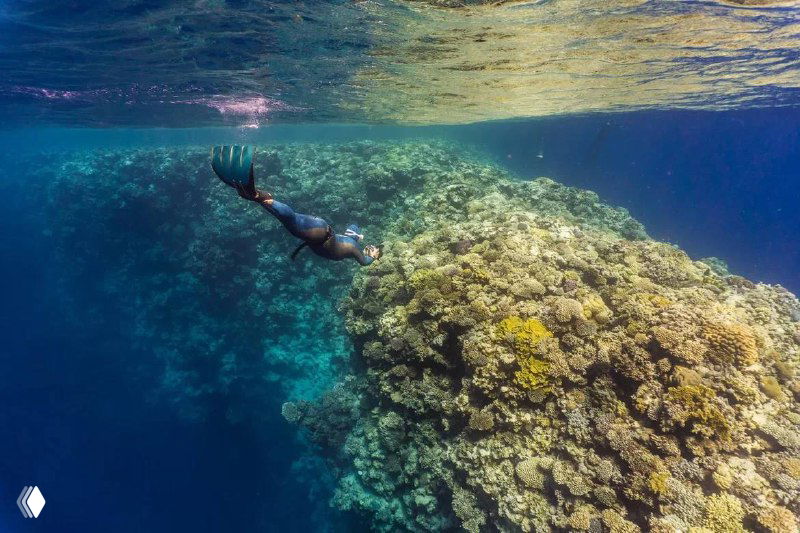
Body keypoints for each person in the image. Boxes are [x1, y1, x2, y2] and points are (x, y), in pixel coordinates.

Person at [211, 145, 381, 266]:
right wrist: (370, 253)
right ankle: (255, 195)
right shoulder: (354, 249)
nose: (373, 249)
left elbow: (356, 236)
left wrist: (362, 242)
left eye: (375, 251)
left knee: (289, 220)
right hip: (320, 235)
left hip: (321, 230)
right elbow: (364, 260)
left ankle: (256, 195)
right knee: (291, 221)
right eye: (374, 248)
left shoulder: (354, 246)